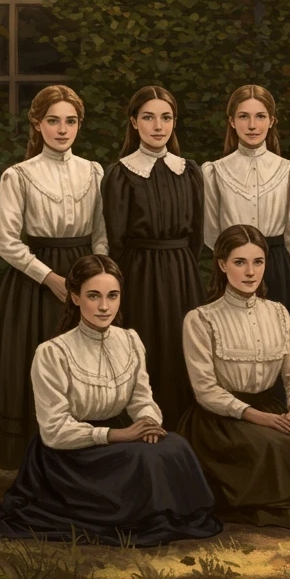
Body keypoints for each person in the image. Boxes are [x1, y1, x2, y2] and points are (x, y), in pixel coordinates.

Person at [0, 255, 221, 546]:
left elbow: (141, 397)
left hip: (117, 437)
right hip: (69, 455)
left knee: (175, 445)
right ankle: (139, 519)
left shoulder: (129, 340)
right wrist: (117, 435)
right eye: (94, 296)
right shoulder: (52, 352)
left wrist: (148, 422)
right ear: (75, 297)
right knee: (141, 458)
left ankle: (171, 515)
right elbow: (54, 430)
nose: (104, 306)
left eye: (112, 296)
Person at [179, 225, 290, 527]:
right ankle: (277, 510)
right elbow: (205, 390)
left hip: (271, 408)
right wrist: (257, 417)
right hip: (220, 421)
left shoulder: (278, 313)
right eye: (240, 262)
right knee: (272, 447)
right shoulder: (200, 319)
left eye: (258, 262)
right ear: (222, 265)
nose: (250, 272)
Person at [0, 85, 108, 470]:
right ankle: (34, 463)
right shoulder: (18, 175)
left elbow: (100, 232)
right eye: (53, 121)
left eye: (70, 121)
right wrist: (49, 278)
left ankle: (84, 459)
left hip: (84, 273)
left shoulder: (94, 171)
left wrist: (95, 281)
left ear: (79, 125)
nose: (62, 130)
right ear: (36, 123)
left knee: (87, 366)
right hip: (35, 282)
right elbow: (6, 242)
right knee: (35, 366)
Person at [203, 85, 290, 420]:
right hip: (230, 270)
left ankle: (289, 422)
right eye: (244, 116)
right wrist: (236, 263)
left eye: (260, 116)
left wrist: (268, 260)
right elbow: (211, 231)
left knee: (280, 349)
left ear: (272, 121)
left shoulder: (289, 170)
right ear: (232, 122)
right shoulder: (215, 171)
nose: (253, 124)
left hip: (276, 265)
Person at [103, 85, 204, 431]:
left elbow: (197, 236)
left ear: (175, 123)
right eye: (148, 117)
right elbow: (115, 239)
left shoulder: (189, 171)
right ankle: (145, 428)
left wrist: (181, 267)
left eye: (166, 118)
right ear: (134, 122)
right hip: (140, 272)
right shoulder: (120, 173)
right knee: (145, 349)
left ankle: (186, 431)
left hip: (182, 273)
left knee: (184, 349)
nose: (157, 126)